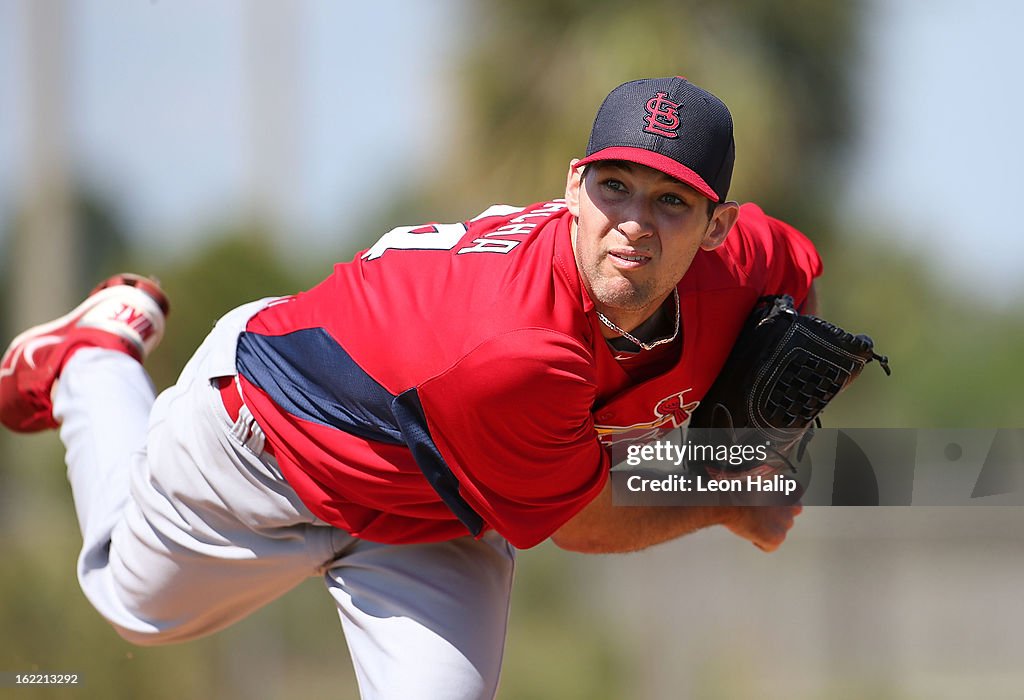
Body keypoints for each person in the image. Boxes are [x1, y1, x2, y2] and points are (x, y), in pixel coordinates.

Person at [0, 77, 817, 699]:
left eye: (671, 201)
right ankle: (94, 358)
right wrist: (726, 492)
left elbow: (799, 275)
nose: (634, 222)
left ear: (717, 227)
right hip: (268, 445)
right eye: (615, 187)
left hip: (439, 511)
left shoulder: (745, 267)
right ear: (574, 187)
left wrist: (741, 437)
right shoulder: (518, 347)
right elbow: (583, 523)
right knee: (131, 606)